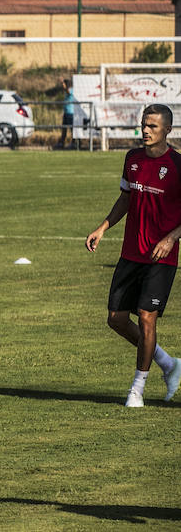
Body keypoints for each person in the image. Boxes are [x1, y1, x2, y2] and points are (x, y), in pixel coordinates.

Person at [86, 104, 181, 407]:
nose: (145, 131)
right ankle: (168, 363)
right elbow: (126, 197)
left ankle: (137, 389)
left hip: (160, 257)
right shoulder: (132, 158)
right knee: (115, 319)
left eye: (153, 126)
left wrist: (171, 238)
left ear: (168, 130)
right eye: (143, 125)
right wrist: (103, 228)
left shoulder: (178, 165)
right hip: (131, 253)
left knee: (146, 318)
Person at [57, 79, 78, 150]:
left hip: (70, 113)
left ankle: (74, 143)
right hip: (66, 113)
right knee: (64, 129)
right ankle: (62, 143)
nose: (62, 86)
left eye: (64, 84)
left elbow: (69, 92)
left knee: (72, 129)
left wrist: (65, 87)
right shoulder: (66, 91)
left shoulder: (71, 90)